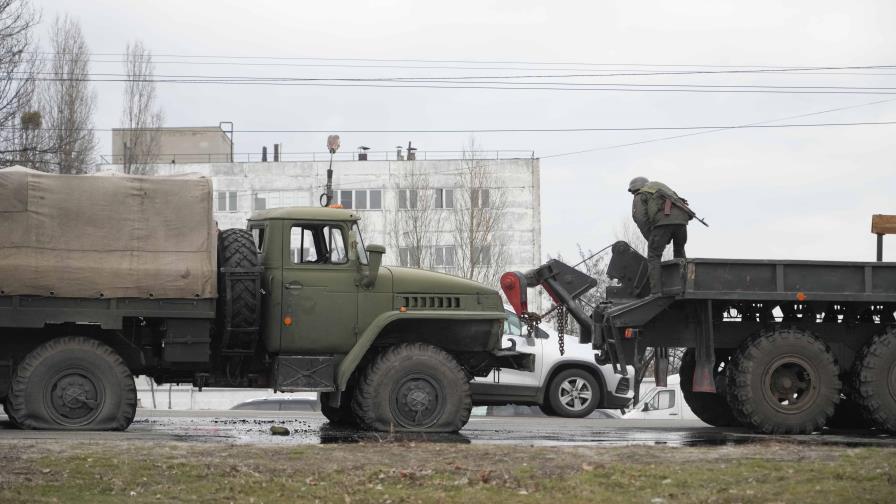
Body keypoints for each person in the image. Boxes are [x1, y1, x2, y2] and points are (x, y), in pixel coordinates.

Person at [629, 176, 692, 294]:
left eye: (633, 192)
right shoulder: (662, 189)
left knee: (654, 255)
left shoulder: (640, 195)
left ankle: (656, 292)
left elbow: (640, 218)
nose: (633, 195)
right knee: (679, 252)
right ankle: (684, 287)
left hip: (663, 223)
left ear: (636, 189)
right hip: (682, 221)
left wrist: (651, 237)